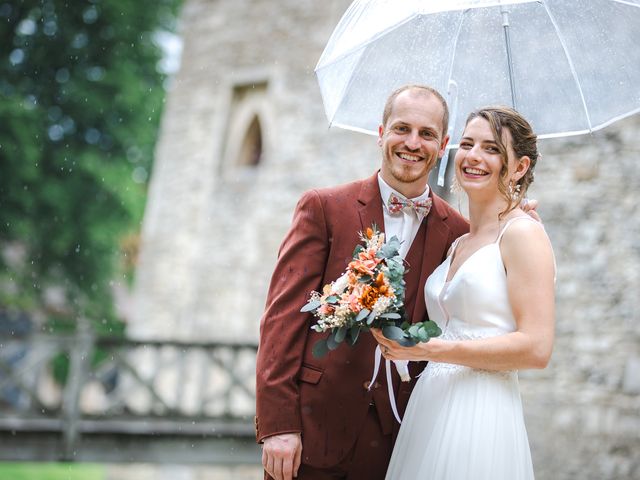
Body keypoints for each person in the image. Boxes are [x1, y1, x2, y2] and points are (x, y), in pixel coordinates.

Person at [255, 84, 470, 480]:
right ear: (380, 132)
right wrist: (279, 423)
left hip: (401, 440)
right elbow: (281, 319)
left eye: (426, 134)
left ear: (443, 144)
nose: (412, 143)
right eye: (401, 128)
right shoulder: (325, 207)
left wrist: (518, 216)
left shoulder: (458, 232)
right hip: (312, 429)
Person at [373, 106, 555, 479]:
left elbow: (537, 348)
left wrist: (432, 350)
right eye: (467, 143)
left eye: (491, 148)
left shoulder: (522, 233)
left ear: (519, 167)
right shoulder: (459, 241)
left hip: (481, 410)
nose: (472, 155)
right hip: (430, 407)